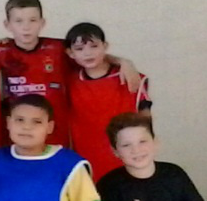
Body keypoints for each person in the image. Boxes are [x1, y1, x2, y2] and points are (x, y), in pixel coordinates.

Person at [0, 0, 140, 146]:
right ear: (7, 25)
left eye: (32, 20)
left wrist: (122, 61)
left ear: (42, 23)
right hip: (15, 138)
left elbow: (88, 54)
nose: (26, 27)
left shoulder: (58, 49)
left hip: (56, 138)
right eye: (19, 21)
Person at [65, 23, 151, 181]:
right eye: (80, 49)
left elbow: (146, 118)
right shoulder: (69, 80)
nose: (88, 53)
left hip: (126, 159)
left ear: (105, 46)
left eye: (94, 46)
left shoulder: (129, 77)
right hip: (87, 159)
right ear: (70, 53)